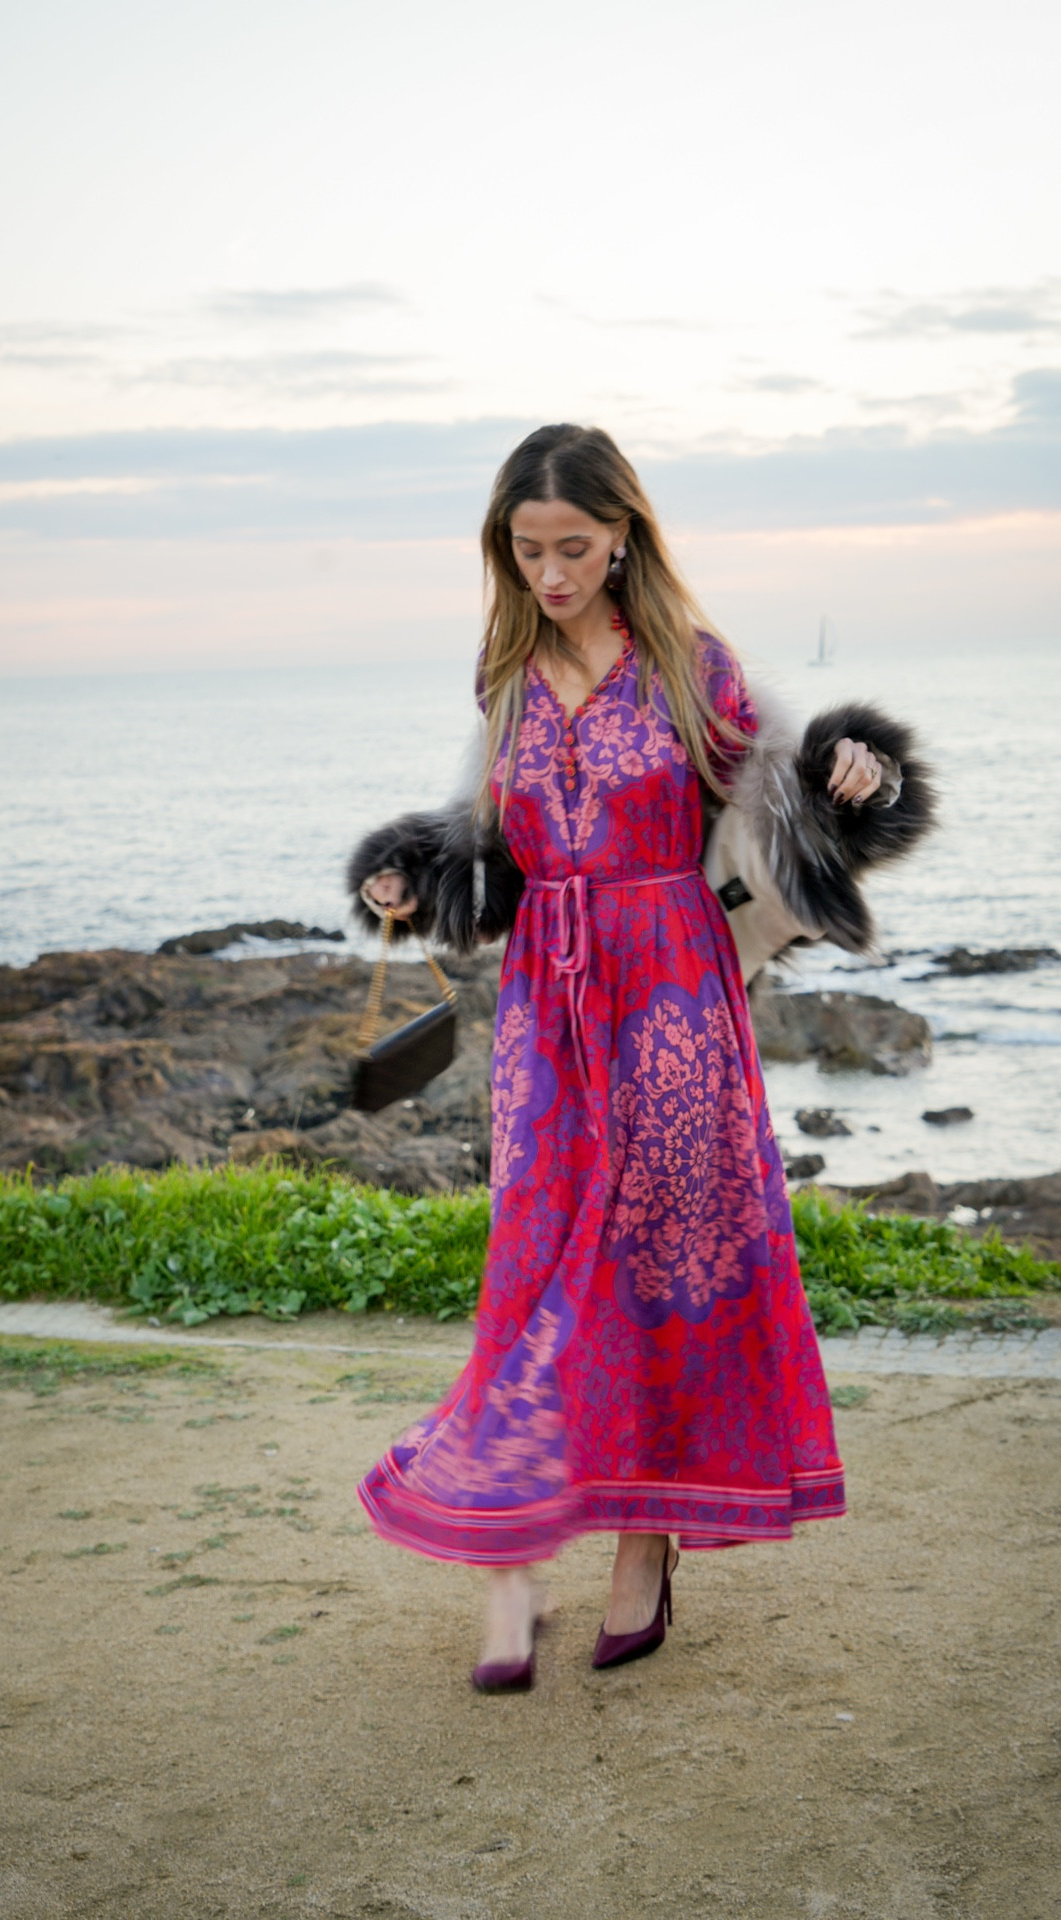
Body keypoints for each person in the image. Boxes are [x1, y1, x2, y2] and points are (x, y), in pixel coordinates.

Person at [348, 423, 934, 1693]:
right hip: (544, 1017)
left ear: (622, 534)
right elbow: (487, 838)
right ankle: (538, 1549)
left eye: (573, 546)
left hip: (670, 999)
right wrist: (419, 874)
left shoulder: (692, 665)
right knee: (541, 1268)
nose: (551, 572)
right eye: (527, 548)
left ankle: (643, 1547)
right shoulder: (503, 673)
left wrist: (855, 774)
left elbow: (788, 799)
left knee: (658, 1265)